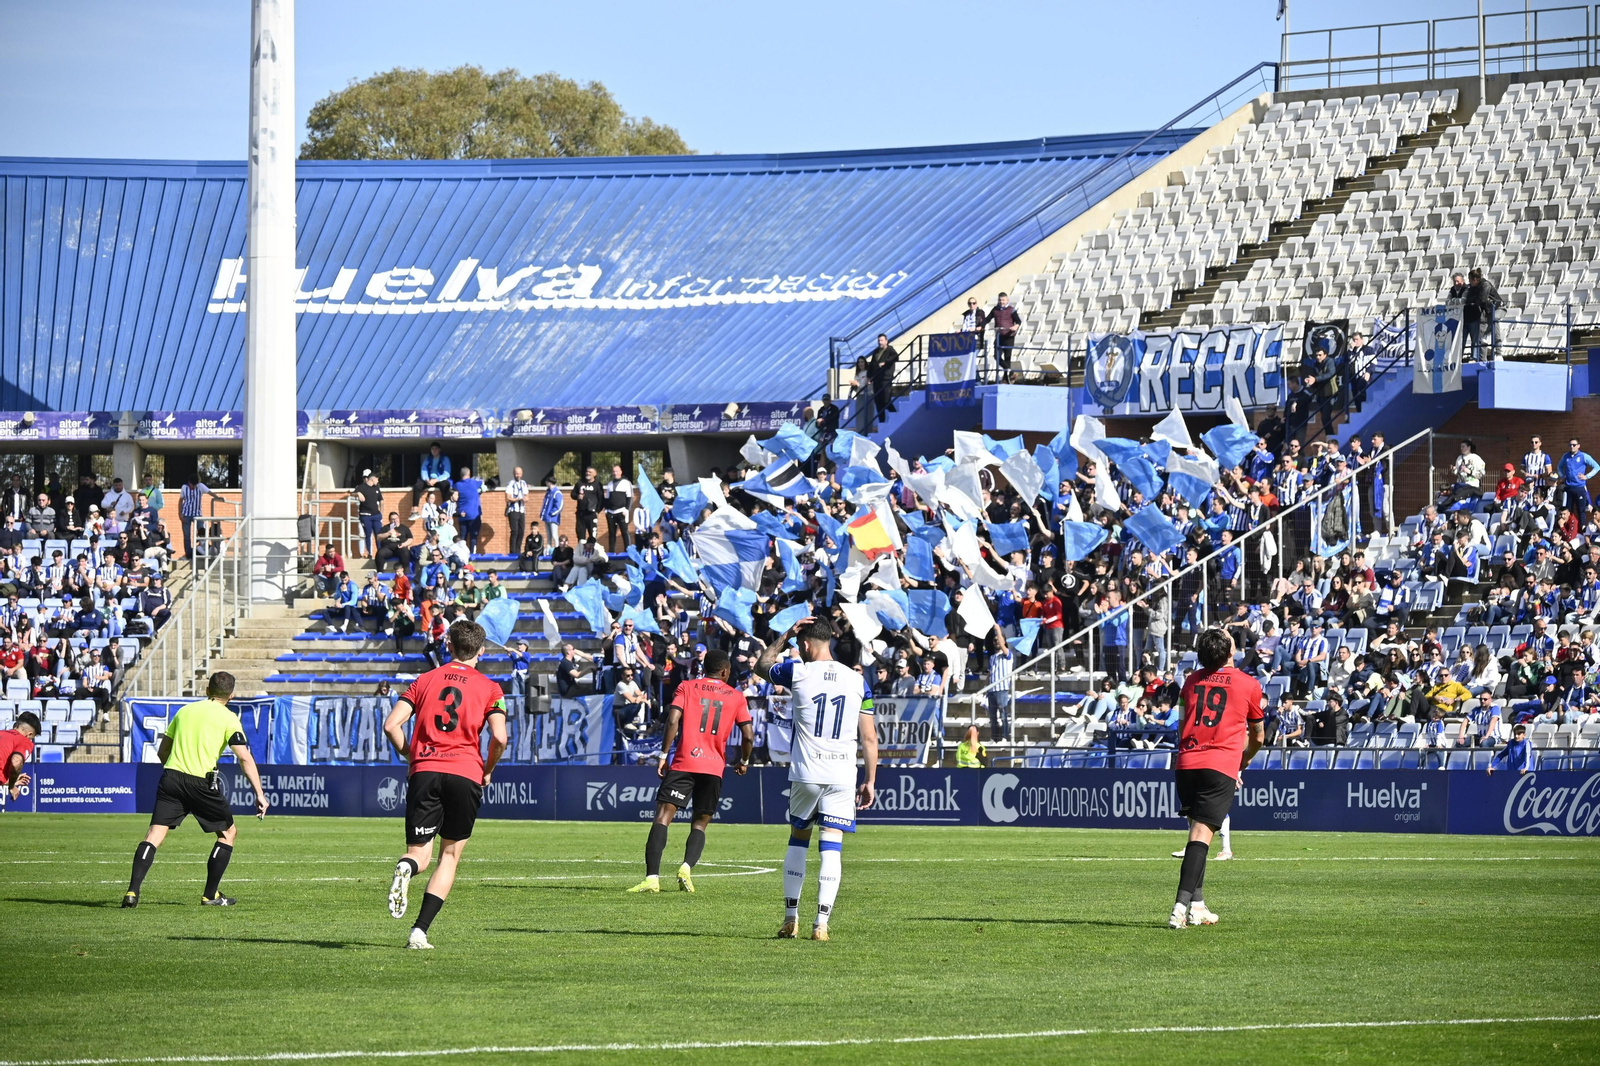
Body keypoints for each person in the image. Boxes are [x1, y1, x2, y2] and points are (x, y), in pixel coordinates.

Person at [383, 620, 508, 950]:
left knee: (418, 855)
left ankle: (405, 867)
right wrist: (488, 768)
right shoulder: (491, 688)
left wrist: (412, 755)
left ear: (448, 646)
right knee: (449, 856)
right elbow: (499, 736)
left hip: (425, 770)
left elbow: (391, 725)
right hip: (466, 772)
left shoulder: (424, 680)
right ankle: (419, 931)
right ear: (481, 651)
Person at [755, 616, 877, 941]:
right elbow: (869, 739)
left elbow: (761, 665)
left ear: (805, 644)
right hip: (841, 773)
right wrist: (871, 780)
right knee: (832, 846)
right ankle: (821, 923)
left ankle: (790, 916)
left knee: (799, 837)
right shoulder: (858, 681)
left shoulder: (798, 670)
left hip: (807, 771)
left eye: (799, 645)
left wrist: (785, 635)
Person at [121, 672, 269, 908]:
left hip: (171, 777)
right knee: (228, 833)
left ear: (207, 690)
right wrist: (259, 794)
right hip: (201, 783)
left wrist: (177, 771)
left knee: (154, 835)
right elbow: (245, 758)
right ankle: (210, 895)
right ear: (232, 695)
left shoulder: (184, 712)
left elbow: (162, 752)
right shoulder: (229, 718)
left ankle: (132, 892)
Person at [627, 649, 753, 895]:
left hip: (685, 762)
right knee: (700, 824)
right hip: (713, 767)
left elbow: (673, 720)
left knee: (663, 817)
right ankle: (686, 867)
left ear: (703, 667)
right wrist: (744, 760)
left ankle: (652, 878)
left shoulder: (686, 686)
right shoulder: (737, 697)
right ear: (725, 671)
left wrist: (663, 755)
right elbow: (748, 735)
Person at [1169, 628, 1263, 930]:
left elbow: (1182, 725)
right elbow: (1259, 735)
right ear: (1229, 652)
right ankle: (1180, 907)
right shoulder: (1248, 684)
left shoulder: (1190, 681)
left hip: (1186, 763)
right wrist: (1243, 761)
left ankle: (1197, 906)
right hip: (1219, 764)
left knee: (1196, 836)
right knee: (1200, 838)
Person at [0, 710, 40, 809]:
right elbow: (16, 762)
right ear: (29, 734)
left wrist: (11, 780)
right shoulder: (25, 741)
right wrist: (12, 786)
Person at [1557, 438, 1600, 527]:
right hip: (1568, 487)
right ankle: (1570, 529)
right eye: (1570, 445)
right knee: (1569, 510)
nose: (1572, 447)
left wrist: (1586, 476)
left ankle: (1582, 529)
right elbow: (1559, 467)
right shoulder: (1566, 456)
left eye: (1574, 445)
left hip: (1579, 487)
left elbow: (1597, 467)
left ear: (1578, 446)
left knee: (1581, 510)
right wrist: (1562, 476)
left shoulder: (1583, 456)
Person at [987, 293, 1022, 381]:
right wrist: (980, 326)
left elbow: (1018, 320)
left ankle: (1006, 379)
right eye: (1000, 300)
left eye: (1003, 300)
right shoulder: (995, 309)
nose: (1001, 302)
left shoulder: (1011, 309)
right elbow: (987, 319)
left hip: (1009, 336)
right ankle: (1011, 371)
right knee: (996, 356)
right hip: (999, 336)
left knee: (1007, 357)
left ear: (1007, 300)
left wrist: (1015, 326)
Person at [350, 471, 383, 558]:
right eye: (377, 479)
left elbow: (381, 500)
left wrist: (381, 512)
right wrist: (358, 493)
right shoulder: (362, 487)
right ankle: (369, 553)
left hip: (376, 515)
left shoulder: (376, 488)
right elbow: (352, 493)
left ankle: (380, 553)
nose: (378, 481)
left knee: (378, 534)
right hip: (365, 515)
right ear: (372, 478)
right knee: (368, 534)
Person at [602, 464, 633, 553]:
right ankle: (611, 552)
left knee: (624, 532)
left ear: (621, 472)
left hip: (622, 511)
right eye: (614, 471)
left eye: (617, 471)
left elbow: (630, 497)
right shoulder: (610, 484)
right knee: (612, 533)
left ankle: (628, 551)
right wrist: (606, 510)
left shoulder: (626, 483)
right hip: (611, 512)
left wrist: (627, 510)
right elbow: (607, 498)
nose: (615, 473)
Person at [454, 466, 485, 554]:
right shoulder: (473, 483)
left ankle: (462, 554)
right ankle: (472, 554)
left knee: (463, 536)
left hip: (462, 515)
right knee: (473, 537)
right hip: (474, 514)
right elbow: (482, 482)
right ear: (469, 474)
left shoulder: (457, 485)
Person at [413, 442, 451, 507]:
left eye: (436, 448)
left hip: (439, 480)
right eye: (432, 449)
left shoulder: (445, 459)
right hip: (429, 480)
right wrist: (427, 479)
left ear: (439, 450)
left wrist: (436, 480)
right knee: (417, 486)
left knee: (446, 485)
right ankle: (415, 510)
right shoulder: (428, 459)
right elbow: (423, 470)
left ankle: (445, 507)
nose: (434, 450)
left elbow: (447, 473)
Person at [503, 466, 528, 562]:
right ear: (514, 473)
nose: (518, 475)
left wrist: (525, 499)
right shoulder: (511, 484)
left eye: (519, 473)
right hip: (513, 510)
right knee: (515, 531)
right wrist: (519, 499)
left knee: (521, 531)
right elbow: (508, 498)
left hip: (522, 510)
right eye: (516, 473)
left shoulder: (523, 483)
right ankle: (512, 552)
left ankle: (518, 551)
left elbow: (527, 496)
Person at [573, 467, 602, 543]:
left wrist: (597, 511)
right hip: (581, 513)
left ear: (595, 474)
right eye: (587, 472)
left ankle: (593, 552)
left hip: (591, 513)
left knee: (593, 535)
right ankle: (581, 552)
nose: (588, 473)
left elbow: (601, 499)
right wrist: (577, 496)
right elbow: (572, 494)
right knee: (580, 535)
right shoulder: (580, 483)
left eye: (590, 472)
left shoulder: (598, 484)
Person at [539, 476, 564, 548]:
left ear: (549, 482)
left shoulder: (557, 492)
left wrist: (551, 513)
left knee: (554, 535)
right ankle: (548, 550)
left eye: (547, 482)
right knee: (548, 536)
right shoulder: (548, 492)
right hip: (547, 517)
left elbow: (559, 506)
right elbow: (545, 504)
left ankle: (557, 549)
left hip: (553, 518)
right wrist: (543, 514)